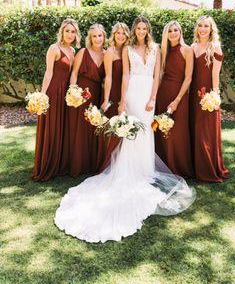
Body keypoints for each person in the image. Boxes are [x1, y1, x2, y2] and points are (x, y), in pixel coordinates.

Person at [55, 16, 195, 243]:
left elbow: (157, 76)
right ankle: (129, 169)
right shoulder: (128, 49)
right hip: (131, 94)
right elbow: (126, 75)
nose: (141, 31)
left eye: (144, 28)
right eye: (138, 28)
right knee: (131, 134)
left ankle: (145, 170)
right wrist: (121, 100)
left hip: (148, 94)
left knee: (145, 132)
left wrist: (153, 98)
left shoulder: (156, 48)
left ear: (148, 30)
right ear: (134, 30)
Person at [32, 18, 80, 181]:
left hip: (65, 95)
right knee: (51, 127)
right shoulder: (55, 48)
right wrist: (42, 95)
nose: (70, 34)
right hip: (53, 92)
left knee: (62, 127)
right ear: (62, 31)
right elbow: (49, 72)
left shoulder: (73, 51)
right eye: (67, 31)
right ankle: (46, 164)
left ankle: (59, 163)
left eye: (73, 32)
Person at [190, 15, 229, 183]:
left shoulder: (215, 47)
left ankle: (209, 167)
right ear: (197, 28)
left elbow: (215, 74)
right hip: (193, 93)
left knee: (206, 131)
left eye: (206, 26)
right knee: (195, 129)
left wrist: (214, 96)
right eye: (201, 26)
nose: (203, 29)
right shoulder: (192, 47)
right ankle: (196, 166)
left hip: (207, 95)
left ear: (211, 29)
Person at [63, 23, 105, 177]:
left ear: (104, 37)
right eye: (94, 36)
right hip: (80, 95)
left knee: (92, 128)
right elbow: (73, 73)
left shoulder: (107, 54)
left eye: (100, 35)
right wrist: (74, 92)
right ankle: (76, 163)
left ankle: (90, 164)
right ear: (90, 38)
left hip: (96, 94)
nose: (97, 39)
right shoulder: (83, 52)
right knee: (78, 129)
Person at [155, 21, 194, 178]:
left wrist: (177, 100)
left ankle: (179, 168)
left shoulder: (187, 50)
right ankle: (163, 168)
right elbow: (159, 74)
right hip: (163, 93)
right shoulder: (162, 50)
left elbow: (188, 77)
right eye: (170, 30)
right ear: (166, 33)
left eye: (176, 30)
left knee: (178, 132)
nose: (173, 33)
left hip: (179, 95)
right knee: (162, 130)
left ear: (180, 32)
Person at [96, 22, 130, 172]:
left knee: (128, 127)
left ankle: (127, 163)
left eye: (123, 33)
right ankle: (111, 165)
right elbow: (108, 77)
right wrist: (106, 99)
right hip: (115, 92)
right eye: (118, 33)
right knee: (115, 128)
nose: (121, 36)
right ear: (113, 35)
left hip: (130, 91)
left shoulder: (130, 50)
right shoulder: (110, 51)